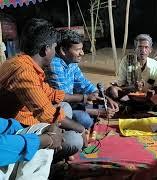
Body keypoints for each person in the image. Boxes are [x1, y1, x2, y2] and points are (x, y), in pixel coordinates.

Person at [0, 18, 85, 161]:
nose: (55, 52)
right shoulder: (23, 72)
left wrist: (84, 98)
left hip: (27, 118)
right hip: (14, 127)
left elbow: (50, 93)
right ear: (45, 49)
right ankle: (47, 159)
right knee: (74, 140)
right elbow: (47, 114)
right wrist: (80, 128)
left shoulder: (23, 62)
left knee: (65, 107)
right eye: (54, 47)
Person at [45, 29, 119, 128]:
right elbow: (63, 99)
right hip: (59, 108)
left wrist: (106, 98)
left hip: (72, 103)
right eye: (77, 50)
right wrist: (98, 112)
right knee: (85, 119)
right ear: (63, 51)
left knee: (103, 106)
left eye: (82, 49)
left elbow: (84, 84)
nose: (82, 53)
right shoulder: (55, 65)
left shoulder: (71, 63)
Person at [109, 34, 157, 99]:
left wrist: (144, 85)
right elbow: (121, 83)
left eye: (146, 47)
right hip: (129, 95)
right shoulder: (126, 61)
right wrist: (132, 87)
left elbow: (155, 84)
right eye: (140, 47)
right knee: (112, 90)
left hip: (147, 96)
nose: (143, 50)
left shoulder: (154, 65)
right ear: (135, 49)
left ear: (150, 50)